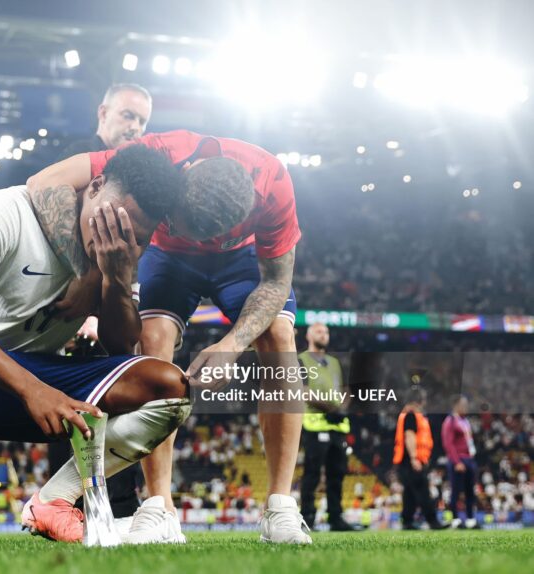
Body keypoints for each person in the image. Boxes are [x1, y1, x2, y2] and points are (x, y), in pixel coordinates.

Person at [0, 145, 192, 547]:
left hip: (49, 375)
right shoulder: (8, 210)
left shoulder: (122, 252)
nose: (118, 239)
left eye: (136, 237)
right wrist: (33, 390)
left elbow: (120, 344)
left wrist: (115, 279)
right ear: (95, 186)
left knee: (170, 385)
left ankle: (54, 501)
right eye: (113, 222)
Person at [27, 129, 309, 544]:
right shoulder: (159, 152)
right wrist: (83, 271)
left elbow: (277, 282)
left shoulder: (273, 182)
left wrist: (232, 345)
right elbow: (45, 180)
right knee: (153, 339)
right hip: (169, 255)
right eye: (177, 221)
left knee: (280, 338)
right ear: (184, 173)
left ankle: (281, 507)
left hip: (241, 259)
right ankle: (159, 506)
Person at [50, 83, 154, 522]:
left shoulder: (141, 174)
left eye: (143, 121)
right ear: (103, 112)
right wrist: (83, 296)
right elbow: (55, 225)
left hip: (114, 298)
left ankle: (123, 510)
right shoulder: (77, 158)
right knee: (70, 414)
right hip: (69, 312)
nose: (135, 127)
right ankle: (66, 508)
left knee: (119, 405)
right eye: (128, 115)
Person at [298, 323, 356, 531]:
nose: (324, 335)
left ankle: (336, 517)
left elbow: (346, 390)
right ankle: (307, 518)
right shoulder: (301, 360)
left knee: (337, 474)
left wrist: (342, 409)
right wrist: (332, 408)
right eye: (319, 331)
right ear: (309, 335)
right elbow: (303, 392)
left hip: (337, 426)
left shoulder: (335, 362)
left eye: (326, 332)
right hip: (315, 425)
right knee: (312, 474)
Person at [393, 389, 449, 530]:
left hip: (409, 460)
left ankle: (407, 521)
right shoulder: (411, 414)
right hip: (411, 460)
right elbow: (409, 436)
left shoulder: (411, 414)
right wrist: (414, 458)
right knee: (423, 490)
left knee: (410, 493)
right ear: (420, 400)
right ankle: (432, 521)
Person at [441, 395, 479, 529]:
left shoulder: (465, 421)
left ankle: (470, 519)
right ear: (456, 405)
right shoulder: (450, 421)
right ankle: (455, 519)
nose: (466, 407)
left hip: (469, 458)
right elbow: (448, 443)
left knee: (470, 491)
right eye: (464, 404)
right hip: (458, 459)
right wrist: (456, 461)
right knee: (455, 491)